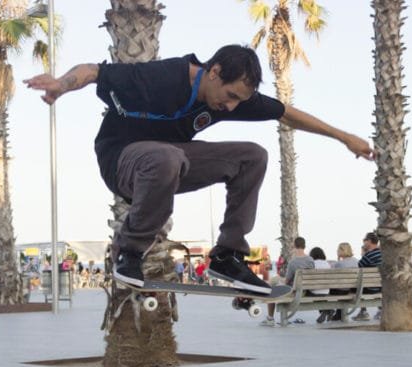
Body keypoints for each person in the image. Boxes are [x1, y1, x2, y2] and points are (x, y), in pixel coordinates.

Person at [24, 45, 373, 294]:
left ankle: (227, 254)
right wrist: (60, 84)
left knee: (252, 155)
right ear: (214, 72)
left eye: (239, 101)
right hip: (121, 160)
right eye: (230, 95)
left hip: (171, 160)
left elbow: (285, 113)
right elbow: (93, 71)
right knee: (166, 158)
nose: (231, 106)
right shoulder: (161, 77)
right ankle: (129, 251)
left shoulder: (228, 97)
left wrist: (343, 137)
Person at [261, 237, 314, 326]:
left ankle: (270, 318)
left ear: (294, 246)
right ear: (304, 246)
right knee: (275, 280)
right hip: (305, 290)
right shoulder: (310, 260)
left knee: (272, 287)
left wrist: (280, 280)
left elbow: (286, 281)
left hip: (294, 292)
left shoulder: (293, 262)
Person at [352, 232, 382, 321]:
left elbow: (358, 268)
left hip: (370, 288)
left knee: (355, 286)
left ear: (369, 241)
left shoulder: (368, 255)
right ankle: (381, 309)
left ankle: (363, 312)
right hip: (382, 287)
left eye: (364, 240)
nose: (363, 243)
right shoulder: (383, 254)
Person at [329, 242, 359, 322]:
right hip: (352, 289)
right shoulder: (356, 261)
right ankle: (338, 314)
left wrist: (338, 260)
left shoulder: (340, 264)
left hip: (342, 290)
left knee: (329, 290)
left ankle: (327, 310)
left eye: (338, 249)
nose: (336, 251)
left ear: (342, 250)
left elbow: (332, 277)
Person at [309, 247, 332, 323]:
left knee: (310, 292)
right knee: (320, 294)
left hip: (314, 292)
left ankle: (326, 310)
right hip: (326, 292)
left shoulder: (312, 264)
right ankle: (326, 310)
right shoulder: (327, 264)